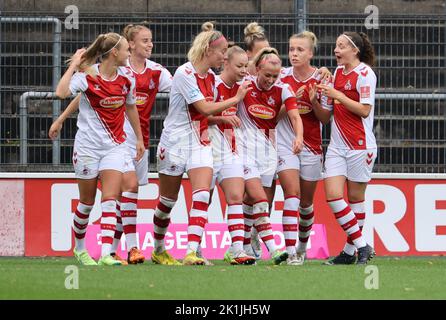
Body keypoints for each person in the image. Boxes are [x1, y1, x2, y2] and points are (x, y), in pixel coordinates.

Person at [50, 24, 174, 265]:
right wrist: (76, 64)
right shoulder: (88, 76)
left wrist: (138, 138)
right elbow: (61, 92)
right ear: (114, 53)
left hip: (115, 146)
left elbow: (130, 109)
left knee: (109, 198)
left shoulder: (127, 78)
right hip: (87, 147)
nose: (129, 54)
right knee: (86, 204)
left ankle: (107, 253)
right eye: (127, 49)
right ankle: (80, 248)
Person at [153, 22, 250, 265]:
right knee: (167, 202)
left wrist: (221, 118)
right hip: (174, 142)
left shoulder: (211, 78)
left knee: (201, 194)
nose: (224, 56)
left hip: (200, 140)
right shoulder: (185, 74)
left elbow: (206, 116)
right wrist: (235, 100)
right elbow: (204, 108)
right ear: (208, 49)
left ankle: (191, 252)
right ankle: (158, 248)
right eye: (222, 51)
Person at [238, 47, 303, 265]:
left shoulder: (283, 89)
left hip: (267, 153)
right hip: (244, 151)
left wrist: (298, 136)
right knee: (259, 199)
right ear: (257, 69)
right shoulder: (244, 84)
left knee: (252, 201)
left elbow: (295, 115)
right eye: (267, 75)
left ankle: (242, 246)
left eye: (275, 76)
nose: (271, 80)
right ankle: (272, 249)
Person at [317, 31, 377, 265]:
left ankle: (349, 252)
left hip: (360, 146)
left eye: (341, 46)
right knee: (332, 196)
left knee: (355, 200)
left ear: (355, 50)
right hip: (337, 146)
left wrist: (338, 95)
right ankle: (363, 246)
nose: (336, 50)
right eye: (336, 45)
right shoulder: (337, 74)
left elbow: (364, 110)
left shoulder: (365, 73)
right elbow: (324, 118)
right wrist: (316, 99)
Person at [276, 31, 332, 265]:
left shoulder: (322, 80)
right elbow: (272, 117)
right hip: (285, 144)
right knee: (292, 196)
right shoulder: (279, 76)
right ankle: (290, 253)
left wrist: (313, 101)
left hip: (311, 146)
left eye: (300, 50)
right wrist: (288, 102)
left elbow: (325, 119)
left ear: (310, 53)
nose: (294, 54)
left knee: (306, 204)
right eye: (291, 49)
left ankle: (301, 247)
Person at [207, 45, 256, 265]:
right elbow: (199, 115)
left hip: (230, 150)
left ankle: (236, 250)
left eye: (246, 65)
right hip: (206, 149)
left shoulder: (242, 86)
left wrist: (322, 70)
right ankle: (195, 249)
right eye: (239, 65)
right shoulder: (213, 85)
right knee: (203, 201)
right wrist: (222, 119)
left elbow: (274, 78)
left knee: (236, 196)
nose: (244, 70)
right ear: (225, 62)